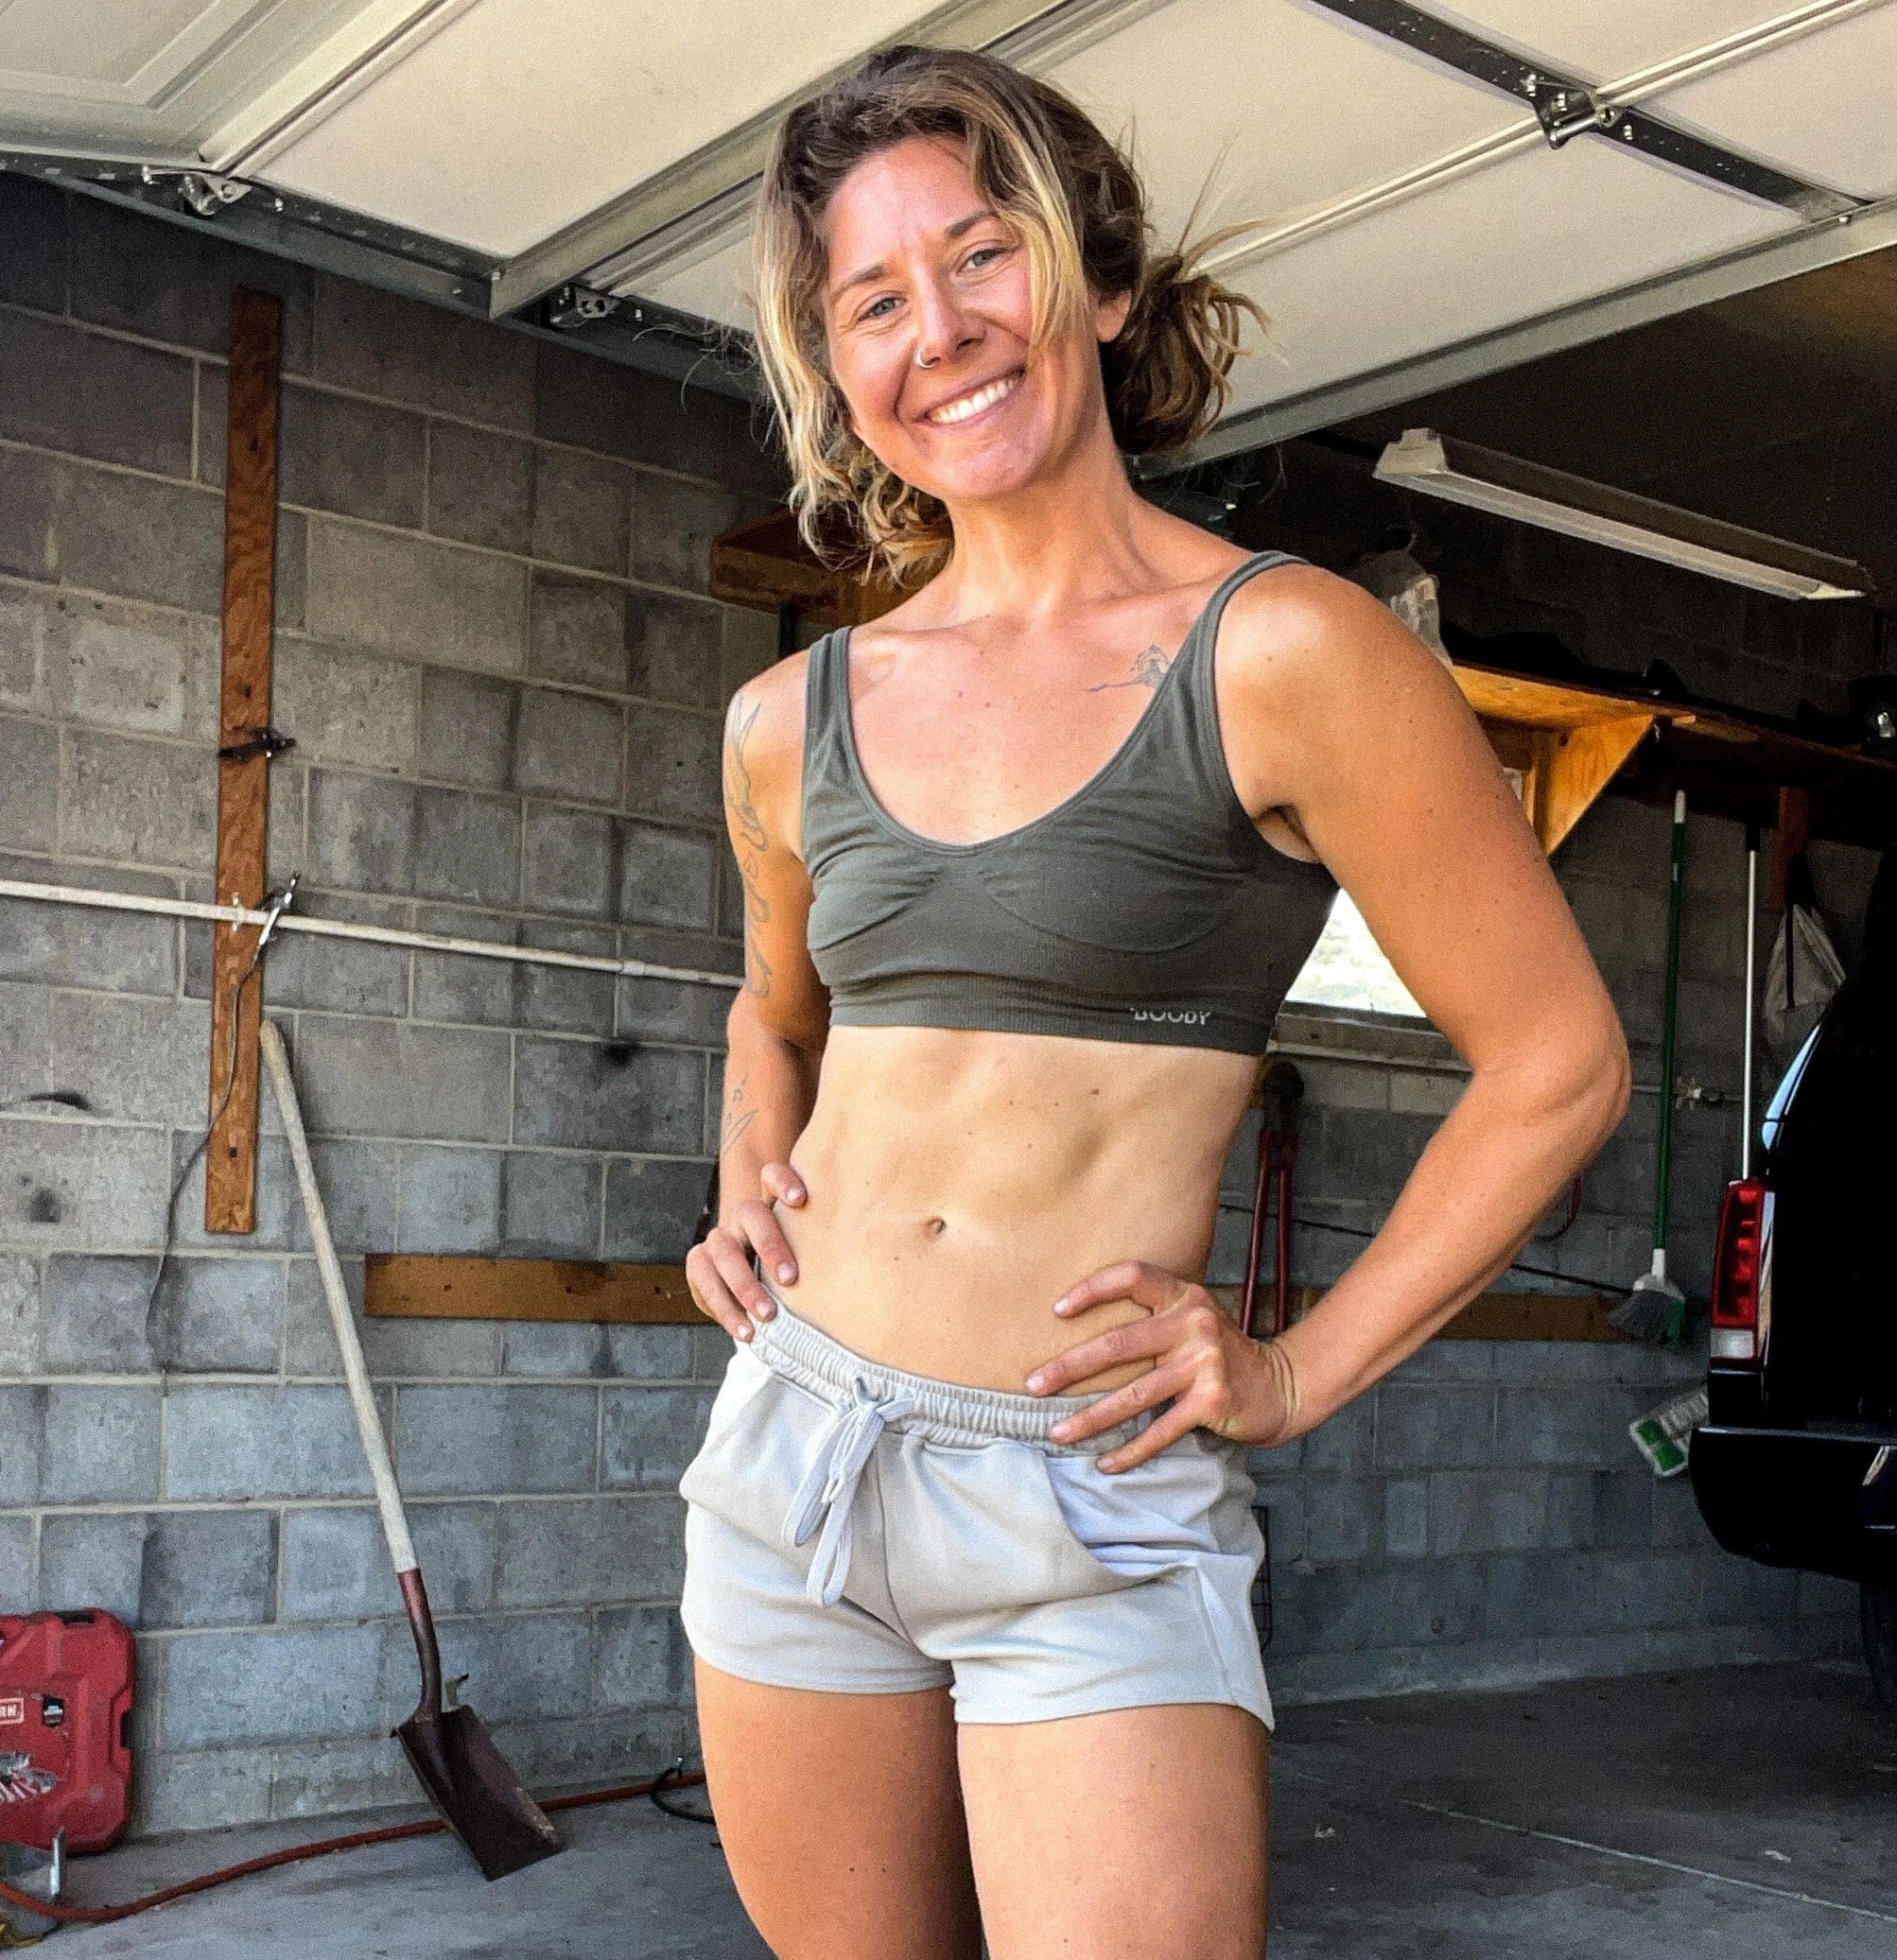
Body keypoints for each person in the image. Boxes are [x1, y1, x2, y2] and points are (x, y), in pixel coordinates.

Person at [680, 44, 1628, 1960]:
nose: (937, 329)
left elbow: (1558, 1060)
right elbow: (773, 1015)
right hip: (790, 1459)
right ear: (836, 369)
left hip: (1082, 1496)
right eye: (871, 299)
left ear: (1100, 284)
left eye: (981, 254)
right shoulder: (788, 718)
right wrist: (746, 1190)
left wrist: (1292, 1366)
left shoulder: (1282, 651)